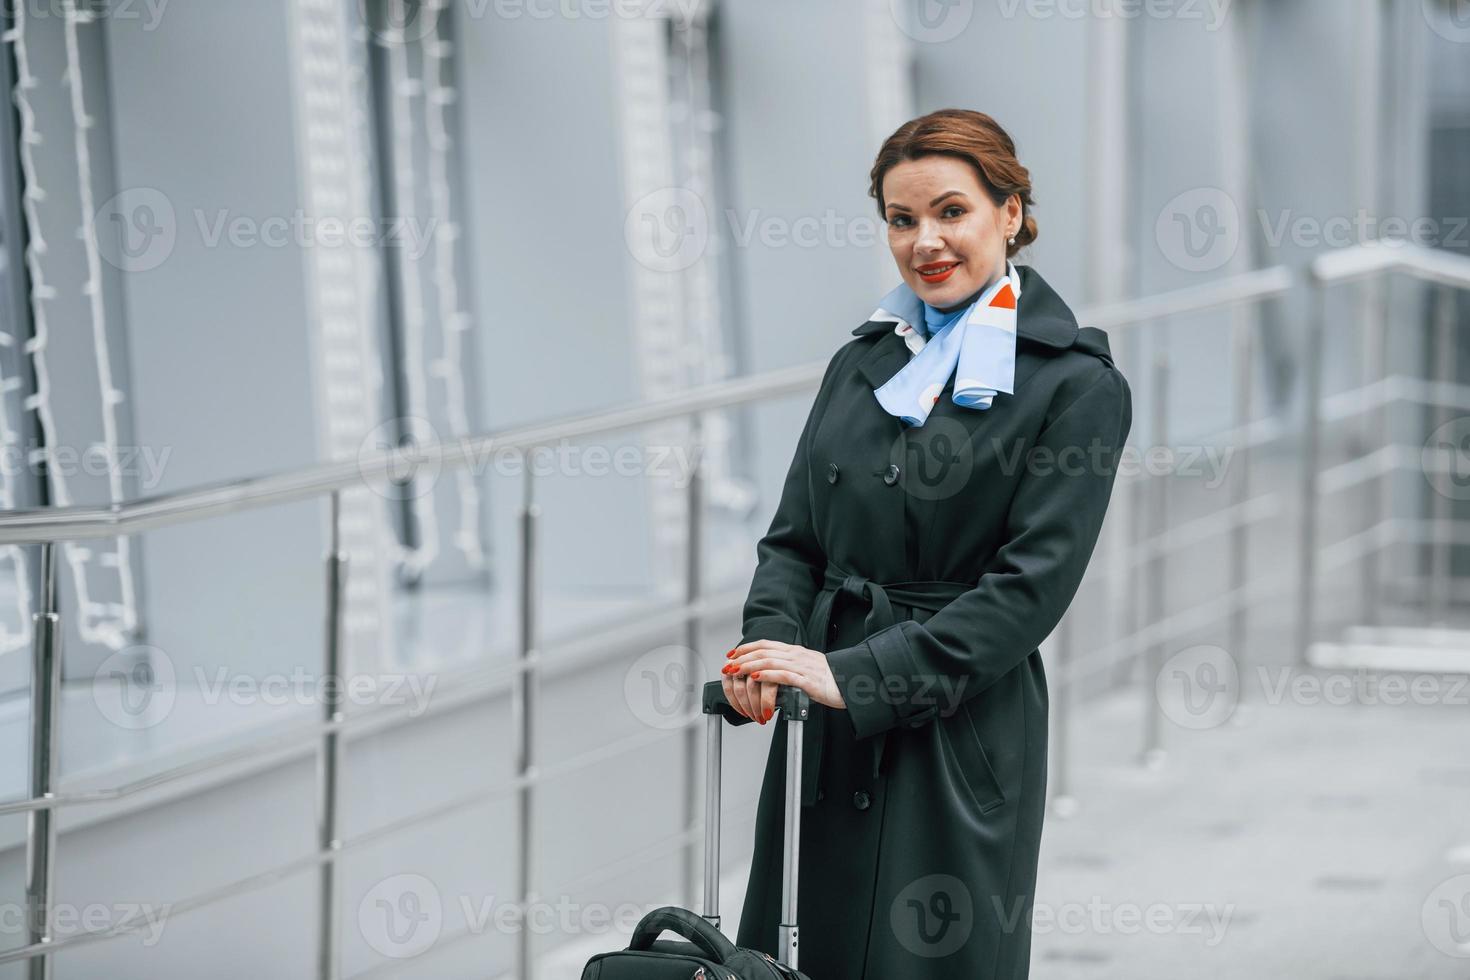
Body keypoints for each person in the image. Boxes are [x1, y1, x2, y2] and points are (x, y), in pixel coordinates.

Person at [718, 108, 1133, 978]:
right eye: (902, 220)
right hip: (821, 725)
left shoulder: (1075, 386)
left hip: (959, 731)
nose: (925, 242)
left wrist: (856, 676)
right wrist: (770, 653)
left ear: (1009, 214)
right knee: (796, 953)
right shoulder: (863, 361)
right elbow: (795, 540)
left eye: (952, 212)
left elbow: (1029, 590)